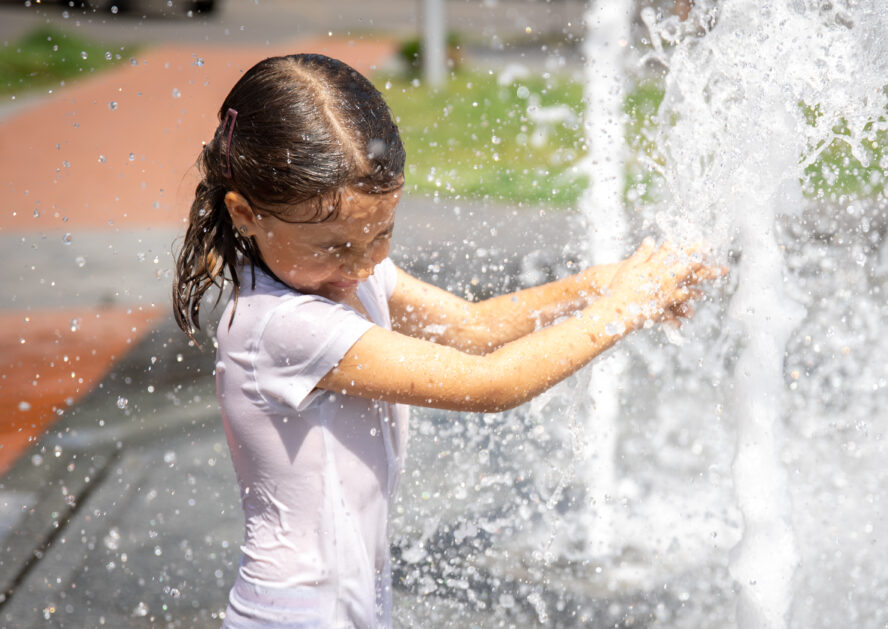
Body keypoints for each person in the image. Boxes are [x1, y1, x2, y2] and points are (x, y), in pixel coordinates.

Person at [172, 53, 721, 629]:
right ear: (245, 215)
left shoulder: (342, 273)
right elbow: (494, 384)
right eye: (335, 247)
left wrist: (598, 285)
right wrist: (625, 307)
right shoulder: (280, 325)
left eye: (381, 233)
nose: (361, 266)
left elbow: (471, 328)